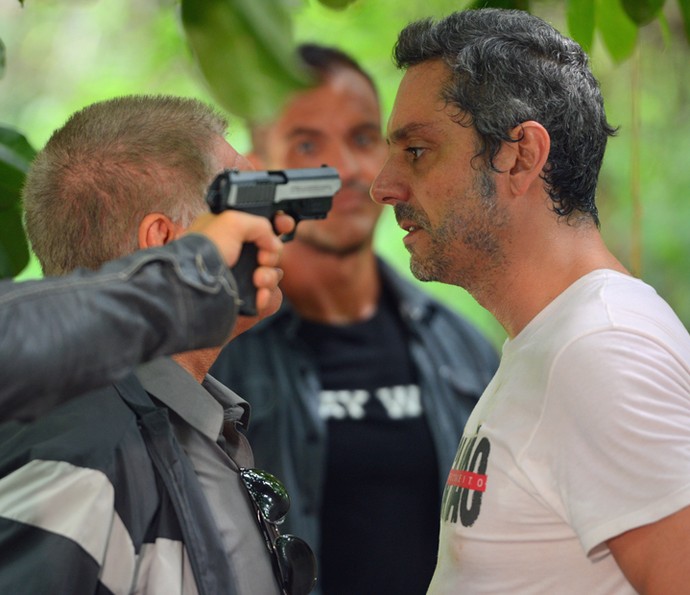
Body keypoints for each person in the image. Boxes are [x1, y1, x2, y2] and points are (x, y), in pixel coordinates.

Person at [370, 8, 690, 594]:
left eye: (416, 150)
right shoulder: (556, 340)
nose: (382, 185)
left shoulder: (602, 350)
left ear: (519, 156)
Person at [210, 44, 499, 595]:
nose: (341, 169)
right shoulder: (214, 353)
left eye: (365, 139)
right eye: (306, 143)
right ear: (256, 167)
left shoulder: (463, 349)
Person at [0, 95, 316, 595]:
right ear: (166, 241)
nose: (276, 229)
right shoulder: (86, 447)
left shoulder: (184, 416)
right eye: (247, 207)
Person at [1, 212, 285, 422]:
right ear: (161, 238)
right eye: (234, 214)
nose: (269, 229)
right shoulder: (86, 441)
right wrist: (187, 276)